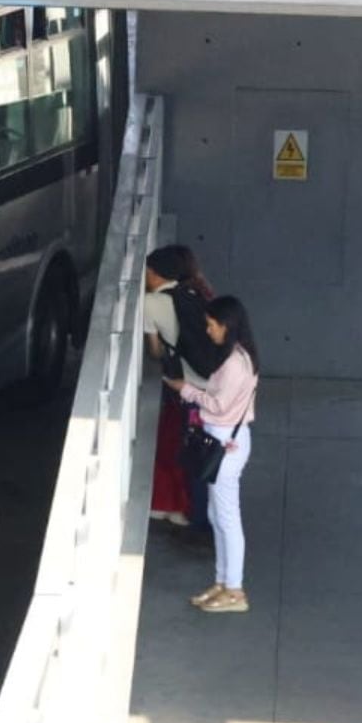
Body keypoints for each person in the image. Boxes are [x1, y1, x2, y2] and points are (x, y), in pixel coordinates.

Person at [166, 296, 261, 614]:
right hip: (226, 441)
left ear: (227, 325)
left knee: (227, 518)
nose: (208, 331)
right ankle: (224, 583)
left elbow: (218, 405)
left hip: (225, 444)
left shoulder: (235, 363)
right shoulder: (241, 357)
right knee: (218, 516)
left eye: (211, 324)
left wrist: (186, 390)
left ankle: (234, 590)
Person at [141, 246, 215, 528]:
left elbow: (156, 351)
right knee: (206, 455)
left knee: (188, 453)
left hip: (188, 390)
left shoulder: (152, 303)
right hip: (216, 388)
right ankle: (197, 513)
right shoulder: (199, 293)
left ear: (155, 274)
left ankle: (193, 516)